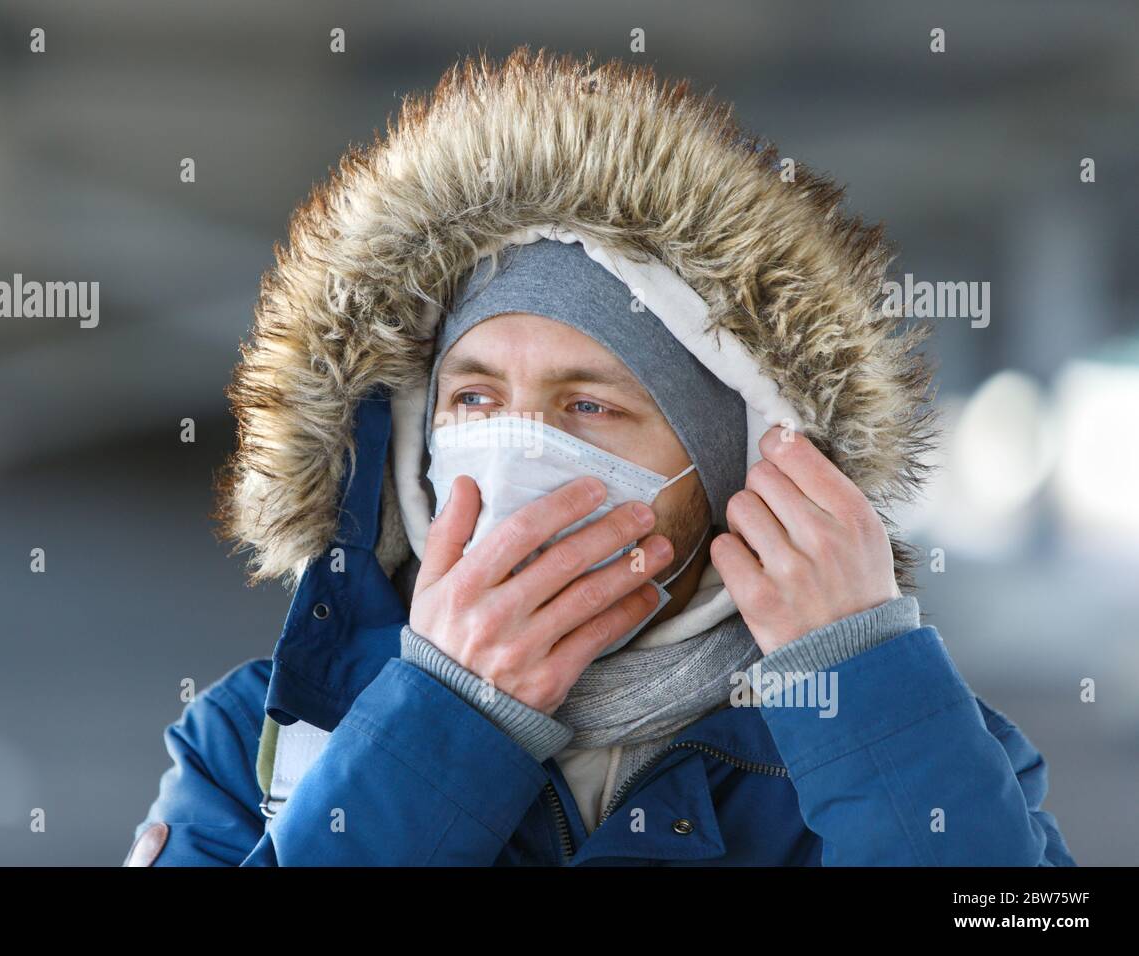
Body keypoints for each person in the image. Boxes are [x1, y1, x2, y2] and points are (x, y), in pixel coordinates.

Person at [124, 46, 1074, 866]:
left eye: (589, 403)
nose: (520, 450)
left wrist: (863, 684)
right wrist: (441, 724)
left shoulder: (921, 741)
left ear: (735, 473)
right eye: (477, 399)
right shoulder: (260, 740)